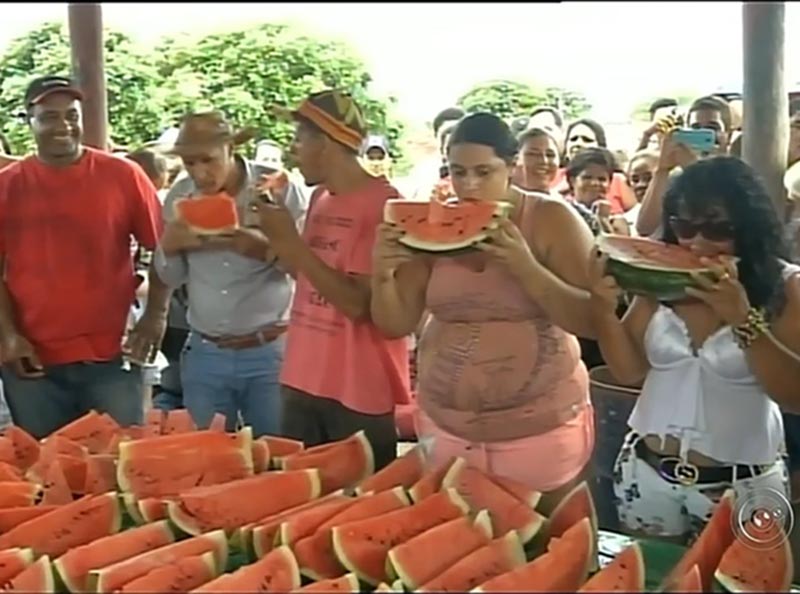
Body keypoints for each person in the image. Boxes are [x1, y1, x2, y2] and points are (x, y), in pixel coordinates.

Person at [370, 112, 596, 509]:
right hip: (448, 428)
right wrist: (383, 273)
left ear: (512, 167)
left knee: (553, 547)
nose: (469, 186)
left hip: (539, 431)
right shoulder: (434, 221)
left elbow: (590, 320)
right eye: (458, 172)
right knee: (461, 552)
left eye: (483, 172)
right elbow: (395, 323)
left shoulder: (551, 219)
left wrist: (524, 266)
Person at [589, 156, 800, 543]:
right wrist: (603, 312)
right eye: (685, 227)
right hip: (646, 472)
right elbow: (629, 372)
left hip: (745, 485)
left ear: (749, 228)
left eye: (718, 229)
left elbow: (793, 395)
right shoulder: (661, 280)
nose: (698, 243)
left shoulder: (787, 287)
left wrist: (742, 319)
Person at [0, 75, 170, 438]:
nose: (64, 126)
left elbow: (165, 250)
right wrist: (8, 334)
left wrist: (156, 316)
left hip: (113, 355)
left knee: (120, 470)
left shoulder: (124, 175)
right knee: (46, 473)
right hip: (31, 363)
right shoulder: (6, 185)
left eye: (72, 115)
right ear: (29, 120)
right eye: (49, 116)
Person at [254, 90, 412, 469]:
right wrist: (274, 242)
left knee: (358, 512)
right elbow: (308, 276)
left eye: (298, 138)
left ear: (324, 142)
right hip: (302, 377)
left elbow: (358, 304)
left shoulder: (385, 204)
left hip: (358, 390)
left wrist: (291, 244)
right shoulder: (321, 197)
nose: (292, 149)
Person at [154, 111, 307, 436]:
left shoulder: (277, 188)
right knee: (209, 463)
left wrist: (266, 249)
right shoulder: (179, 198)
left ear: (230, 149)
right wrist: (168, 248)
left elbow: (308, 272)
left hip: (271, 352)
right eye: (189, 163)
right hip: (205, 354)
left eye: (207, 160)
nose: (199, 173)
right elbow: (171, 278)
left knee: (277, 457)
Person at [636, 95, 732, 237]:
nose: (702, 133)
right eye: (695, 128)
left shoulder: (738, 174)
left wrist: (694, 169)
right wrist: (662, 169)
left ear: (727, 134)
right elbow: (645, 227)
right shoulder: (676, 177)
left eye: (712, 128)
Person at [552, 118, 637, 214]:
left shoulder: (618, 180)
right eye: (573, 139)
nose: (578, 143)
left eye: (587, 140)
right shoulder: (552, 175)